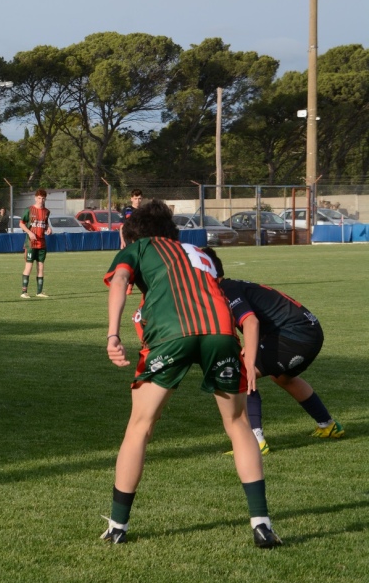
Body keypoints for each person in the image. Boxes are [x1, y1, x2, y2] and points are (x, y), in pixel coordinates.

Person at [101, 199, 280, 548]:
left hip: (172, 333)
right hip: (221, 331)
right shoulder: (202, 252)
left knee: (140, 427)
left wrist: (112, 334)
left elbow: (120, 278)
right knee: (238, 424)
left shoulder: (138, 247)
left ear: (133, 235)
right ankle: (261, 523)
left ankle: (118, 526)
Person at [203, 248, 344, 454]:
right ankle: (328, 425)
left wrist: (249, 362)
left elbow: (251, 322)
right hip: (307, 332)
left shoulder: (226, 290)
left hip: (296, 335)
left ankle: (255, 442)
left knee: (242, 373)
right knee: (282, 378)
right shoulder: (231, 286)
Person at [19, 189, 52, 299]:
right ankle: (24, 292)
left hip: (42, 243)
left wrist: (48, 228)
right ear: (35, 198)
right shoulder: (29, 210)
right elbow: (21, 223)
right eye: (39, 198)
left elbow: (45, 223)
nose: (41, 200)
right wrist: (29, 232)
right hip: (31, 243)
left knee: (41, 267)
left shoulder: (46, 212)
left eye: (43, 198)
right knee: (29, 266)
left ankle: (39, 292)